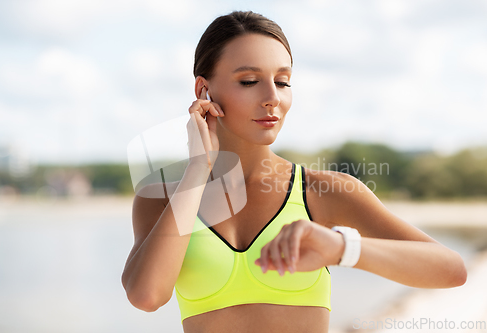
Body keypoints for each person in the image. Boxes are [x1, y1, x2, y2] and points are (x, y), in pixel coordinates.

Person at [121, 11, 467, 333]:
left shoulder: (323, 191)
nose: (272, 97)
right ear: (203, 90)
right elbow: (147, 296)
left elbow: (451, 269)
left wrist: (341, 248)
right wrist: (198, 170)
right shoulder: (162, 195)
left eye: (283, 82)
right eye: (250, 81)